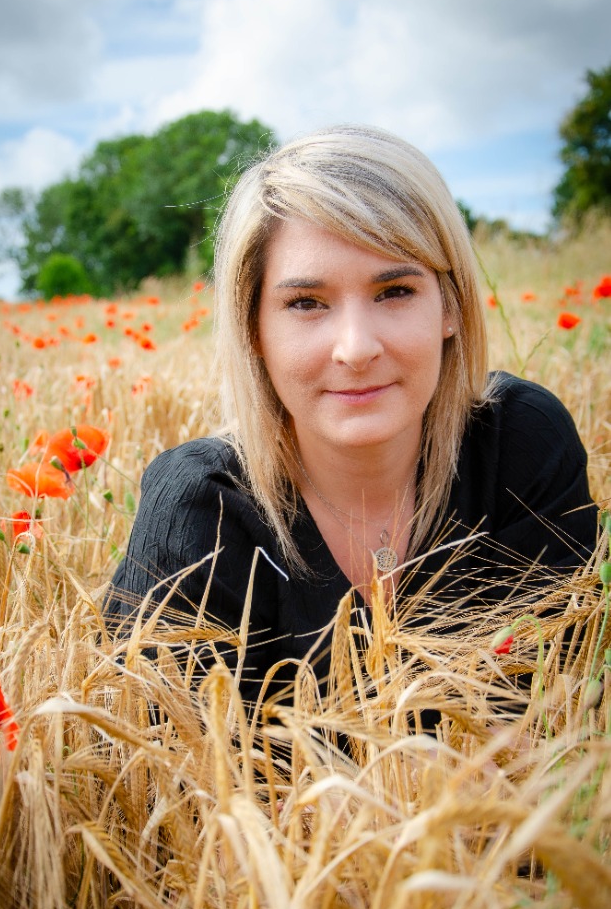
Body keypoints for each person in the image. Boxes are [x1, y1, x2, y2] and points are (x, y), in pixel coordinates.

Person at [104, 125, 598, 708]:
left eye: (394, 291)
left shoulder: (521, 446)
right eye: (306, 303)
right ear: (253, 331)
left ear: (452, 308)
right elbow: (155, 776)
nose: (356, 348)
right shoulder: (200, 513)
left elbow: (560, 711)